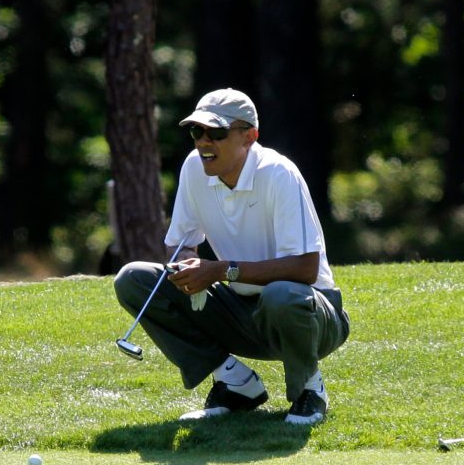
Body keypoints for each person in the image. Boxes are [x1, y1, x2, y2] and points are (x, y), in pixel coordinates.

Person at [114, 88, 350, 425]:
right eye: (198, 132)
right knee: (134, 279)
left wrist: (221, 270)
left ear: (249, 137)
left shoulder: (278, 174)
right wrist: (186, 270)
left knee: (282, 294)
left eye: (217, 133)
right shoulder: (195, 169)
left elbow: (304, 268)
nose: (204, 142)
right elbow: (180, 244)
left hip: (310, 314)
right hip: (241, 312)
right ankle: (235, 383)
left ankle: (309, 390)